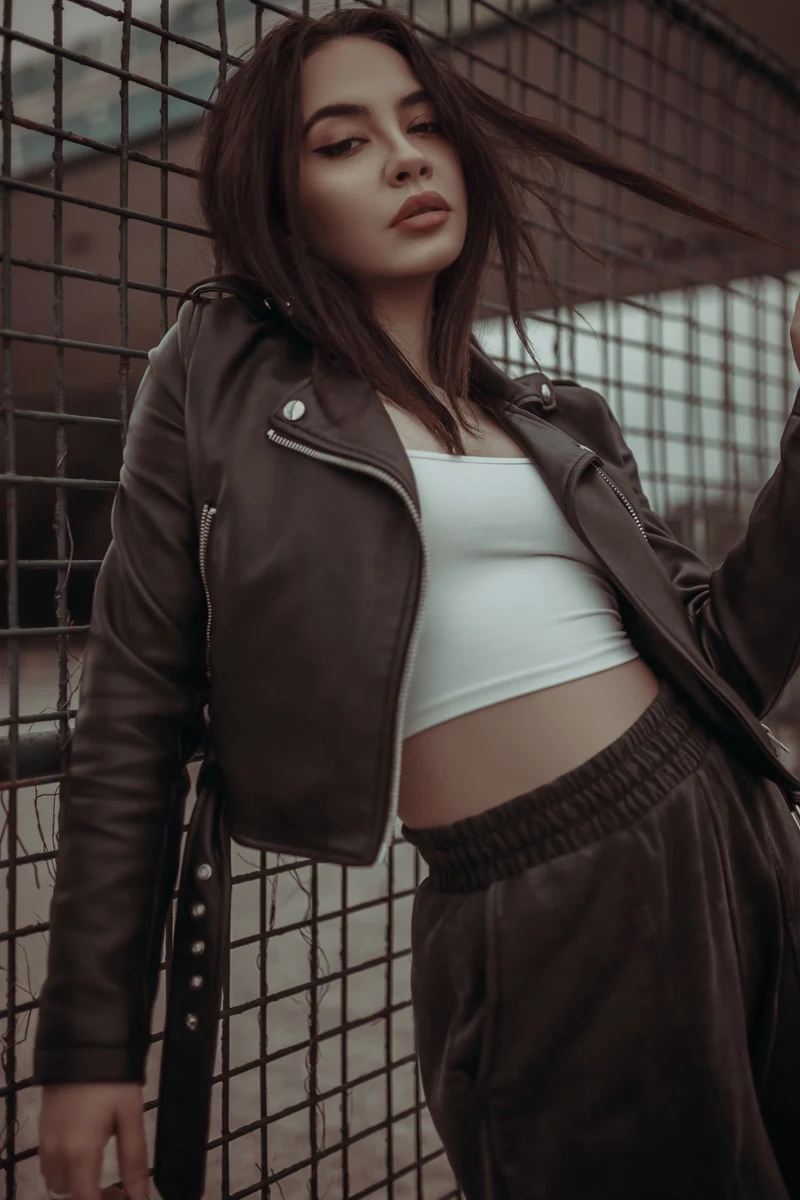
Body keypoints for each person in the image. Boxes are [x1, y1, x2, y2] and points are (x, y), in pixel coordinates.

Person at [33, 7, 800, 1200]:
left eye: (427, 125)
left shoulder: (561, 420)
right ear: (280, 206)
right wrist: (88, 1043)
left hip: (737, 831)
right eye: (342, 142)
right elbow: (132, 705)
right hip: (541, 897)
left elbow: (729, 661)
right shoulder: (219, 374)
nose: (405, 156)